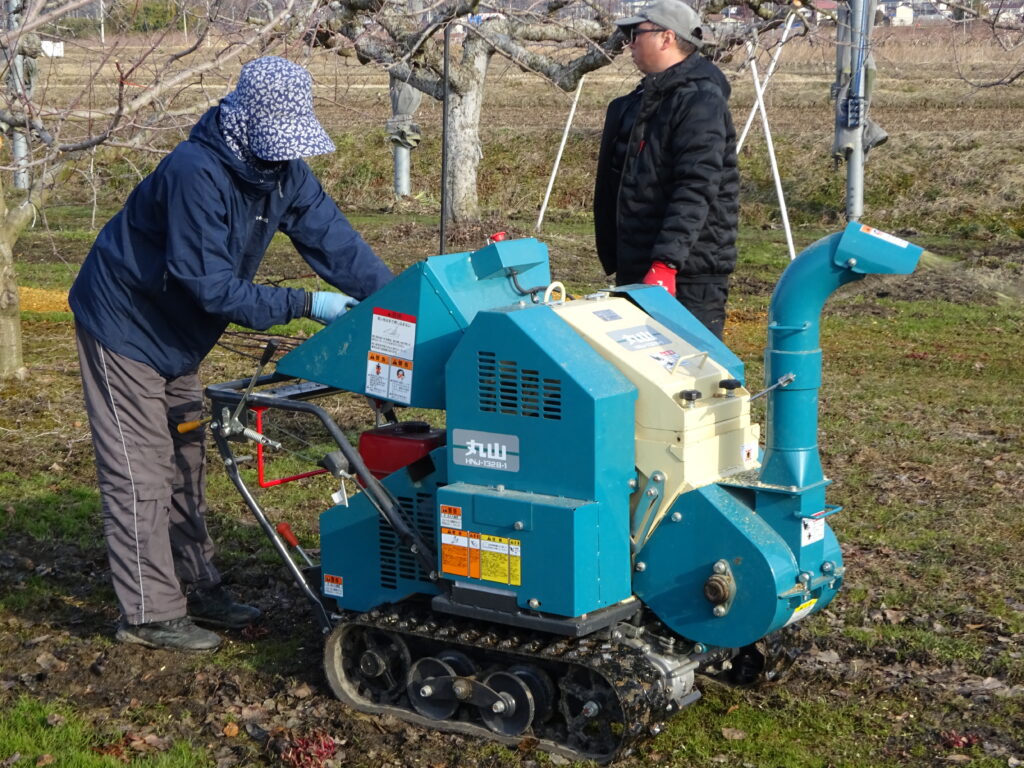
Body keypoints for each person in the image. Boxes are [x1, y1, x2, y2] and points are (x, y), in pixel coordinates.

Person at [69, 56, 393, 651]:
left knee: (186, 459)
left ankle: (199, 585)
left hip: (179, 339)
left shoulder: (282, 172)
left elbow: (336, 242)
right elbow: (209, 284)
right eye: (276, 143)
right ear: (246, 122)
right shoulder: (195, 172)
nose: (282, 155)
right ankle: (148, 614)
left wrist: (397, 301)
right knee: (141, 470)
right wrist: (307, 303)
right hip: (124, 327)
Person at [593, 0, 740, 339]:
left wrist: (666, 264)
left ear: (666, 38)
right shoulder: (647, 97)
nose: (629, 43)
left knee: (691, 371)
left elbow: (696, 185)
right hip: (640, 263)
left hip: (685, 275)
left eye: (636, 33)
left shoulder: (699, 99)